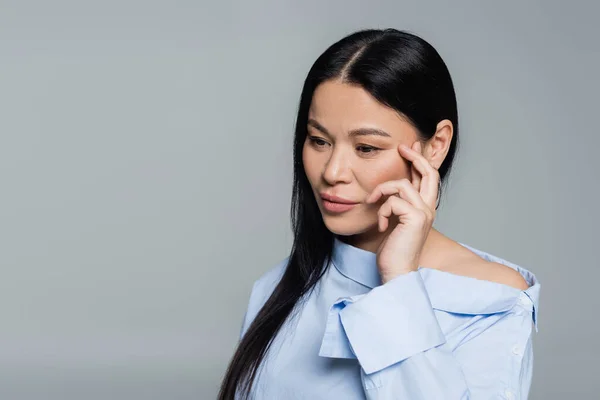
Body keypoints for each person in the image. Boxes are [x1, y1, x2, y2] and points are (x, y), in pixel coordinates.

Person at [218, 28, 540, 400]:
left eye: (367, 148)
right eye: (319, 141)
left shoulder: (488, 299)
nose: (333, 172)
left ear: (435, 146)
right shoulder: (276, 287)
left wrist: (399, 281)